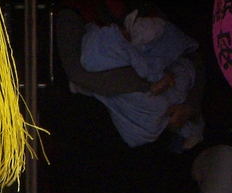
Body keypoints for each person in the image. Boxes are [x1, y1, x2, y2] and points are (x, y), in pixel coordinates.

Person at [77, 8, 204, 149]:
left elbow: (195, 60)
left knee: (179, 79)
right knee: (154, 107)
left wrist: (190, 106)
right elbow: (82, 76)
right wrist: (151, 80)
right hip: (115, 121)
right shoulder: (78, 18)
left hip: (169, 93)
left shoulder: (144, 10)